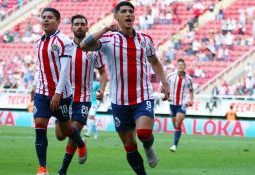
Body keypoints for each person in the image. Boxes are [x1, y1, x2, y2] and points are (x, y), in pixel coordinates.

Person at [80, 1, 170, 174]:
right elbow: (83, 45)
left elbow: (155, 62)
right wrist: (105, 28)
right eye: (124, 12)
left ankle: (149, 146)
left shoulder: (145, 39)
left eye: (131, 11)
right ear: (116, 17)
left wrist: (165, 83)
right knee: (129, 145)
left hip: (142, 96)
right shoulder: (107, 40)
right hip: (119, 101)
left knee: (143, 133)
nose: (128, 14)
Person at [33, 8, 87, 175]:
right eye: (44, 18)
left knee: (66, 130)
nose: (46, 20)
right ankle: (42, 168)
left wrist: (57, 93)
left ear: (57, 22)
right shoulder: (38, 42)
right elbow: (40, 68)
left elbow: (64, 71)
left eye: (50, 18)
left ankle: (81, 143)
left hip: (61, 95)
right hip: (42, 93)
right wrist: (34, 88)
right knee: (40, 126)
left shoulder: (64, 41)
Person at [55, 14, 107, 175]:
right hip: (65, 97)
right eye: (76, 24)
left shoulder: (94, 49)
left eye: (82, 24)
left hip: (83, 98)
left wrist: (102, 89)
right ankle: (81, 142)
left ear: (86, 27)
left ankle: (62, 171)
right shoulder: (64, 47)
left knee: (71, 131)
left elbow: (103, 73)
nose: (79, 26)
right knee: (60, 135)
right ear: (71, 28)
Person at [167, 59, 194, 152]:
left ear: (184, 67)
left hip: (182, 103)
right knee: (176, 125)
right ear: (176, 66)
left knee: (178, 122)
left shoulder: (189, 79)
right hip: (172, 103)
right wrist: (165, 95)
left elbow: (191, 90)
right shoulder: (170, 76)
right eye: (178, 65)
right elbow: (164, 86)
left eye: (182, 65)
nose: (180, 66)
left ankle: (174, 145)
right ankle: (177, 135)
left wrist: (191, 99)